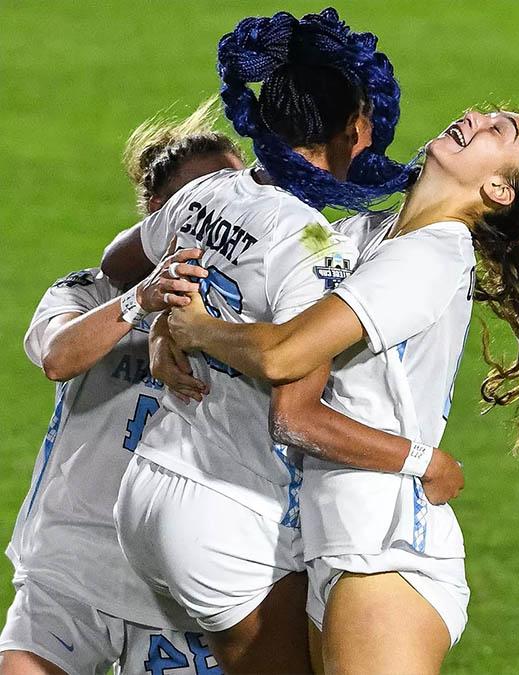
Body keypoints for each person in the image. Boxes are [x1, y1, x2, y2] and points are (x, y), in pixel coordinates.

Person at [161, 108, 519, 673]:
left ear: (497, 189)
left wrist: (196, 330)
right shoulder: (364, 233)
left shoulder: (432, 256)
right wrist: (162, 329)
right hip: (335, 537)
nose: (476, 118)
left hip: (388, 546)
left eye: (500, 131)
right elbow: (256, 316)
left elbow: (280, 353)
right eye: (484, 112)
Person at [98, 10, 444, 673]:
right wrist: (422, 460)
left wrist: (158, 316)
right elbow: (297, 414)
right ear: (351, 130)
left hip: (147, 489)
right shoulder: (314, 246)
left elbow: (121, 263)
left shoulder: (208, 192)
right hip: (227, 511)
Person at [0, 99, 242, 675]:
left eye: (236, 193)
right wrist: (142, 300)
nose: (229, 213)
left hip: (182, 582)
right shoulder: (90, 291)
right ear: (158, 213)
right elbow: (58, 356)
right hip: (70, 565)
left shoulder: (251, 312)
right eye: (203, 199)